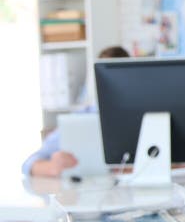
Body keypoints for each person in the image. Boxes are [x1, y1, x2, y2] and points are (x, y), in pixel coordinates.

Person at [22, 45, 130, 177]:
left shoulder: (146, 118)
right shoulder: (81, 118)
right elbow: (29, 164)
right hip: (89, 191)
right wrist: (52, 167)